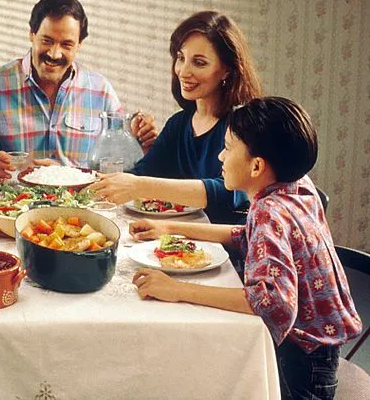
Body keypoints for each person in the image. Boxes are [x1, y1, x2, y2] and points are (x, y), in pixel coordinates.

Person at [130, 97, 362, 399]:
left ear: (256, 166)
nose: (220, 157)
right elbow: (247, 235)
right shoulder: (297, 186)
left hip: (300, 362)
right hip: (320, 350)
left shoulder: (270, 212)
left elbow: (270, 303)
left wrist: (176, 289)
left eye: (227, 148)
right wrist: (170, 228)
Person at [0, 0, 158, 178]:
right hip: (14, 206)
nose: (54, 53)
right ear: (32, 35)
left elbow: (119, 157)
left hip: (82, 208)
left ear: (79, 45)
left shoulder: (100, 89)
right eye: (47, 41)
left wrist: (140, 138)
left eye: (66, 44)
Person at [90, 11, 263, 224]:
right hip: (180, 242)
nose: (183, 71)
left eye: (199, 62)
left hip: (230, 249)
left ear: (227, 70)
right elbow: (142, 173)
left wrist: (141, 185)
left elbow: (230, 192)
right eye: (181, 58)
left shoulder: (243, 126)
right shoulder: (179, 124)